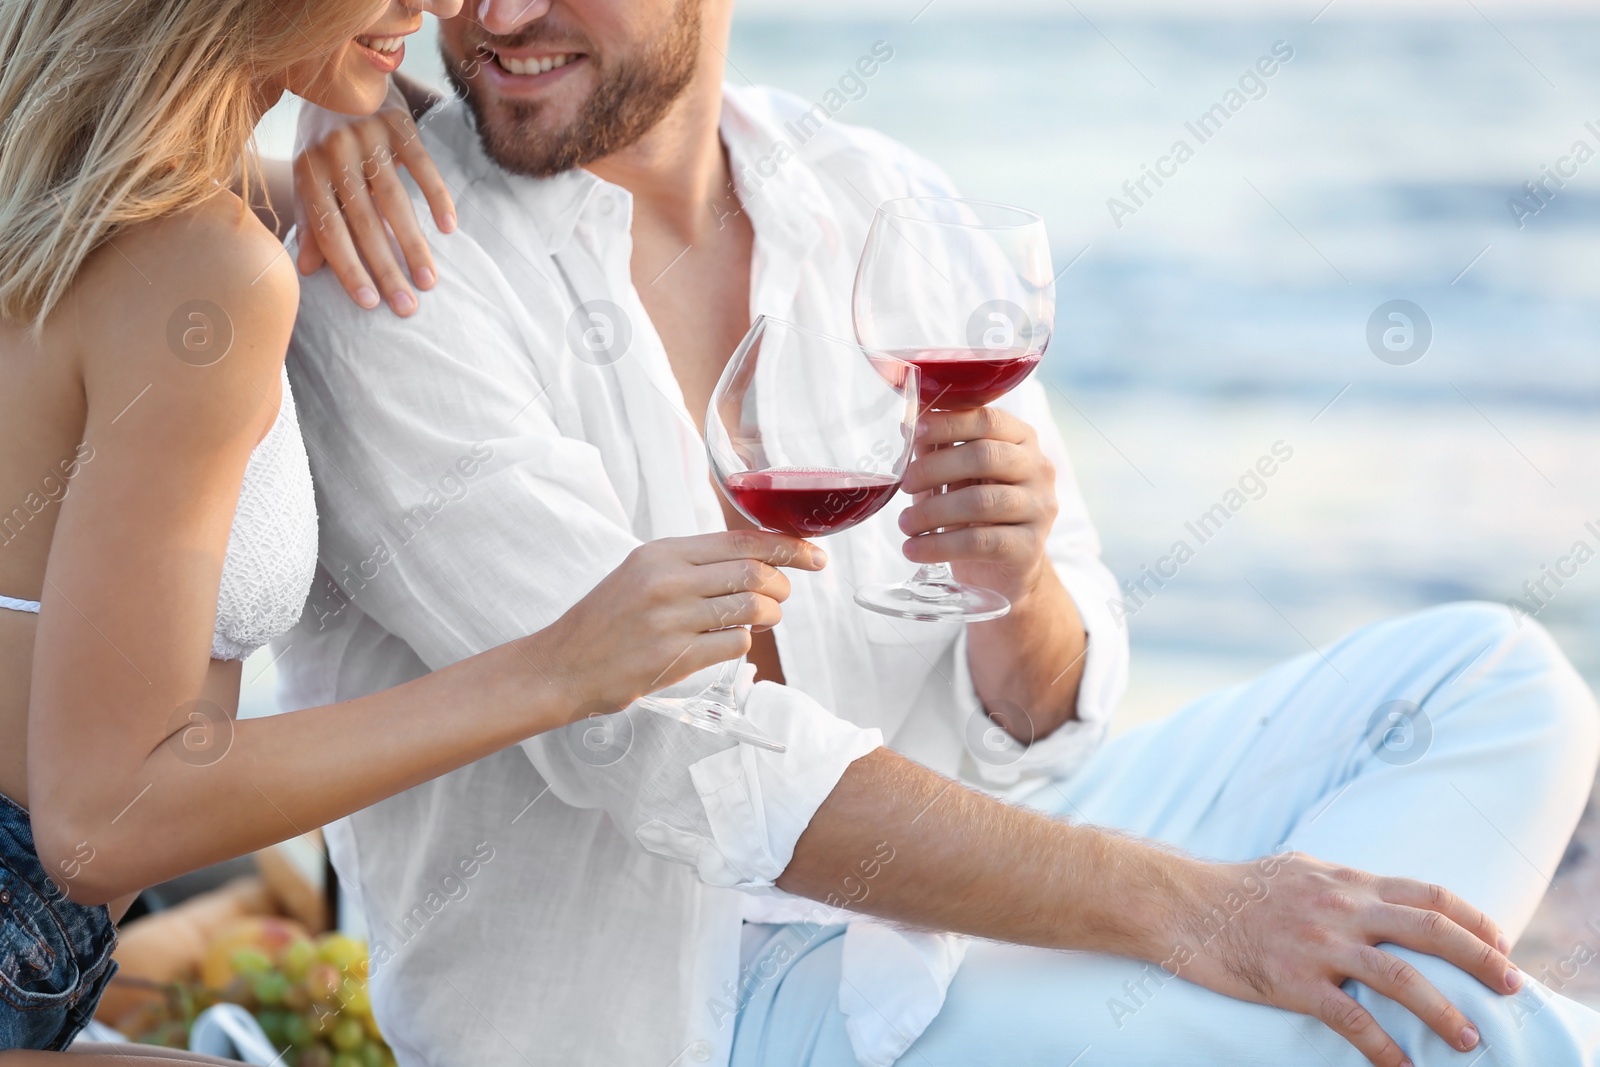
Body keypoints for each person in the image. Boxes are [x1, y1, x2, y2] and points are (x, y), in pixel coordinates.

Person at [280, 3, 1600, 1066]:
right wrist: (1203, 911)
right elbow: (678, 751)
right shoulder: (393, 265)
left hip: (959, 883)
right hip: (694, 1001)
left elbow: (1044, 711)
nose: (497, 18)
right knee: (1458, 1024)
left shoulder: (866, 194)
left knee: (1493, 684)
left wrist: (1012, 584)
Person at [0, 0, 827, 1059]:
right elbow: (104, 817)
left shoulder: (82, 193)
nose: (435, 5)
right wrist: (558, 668)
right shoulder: (199, 271)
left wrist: (341, 111)